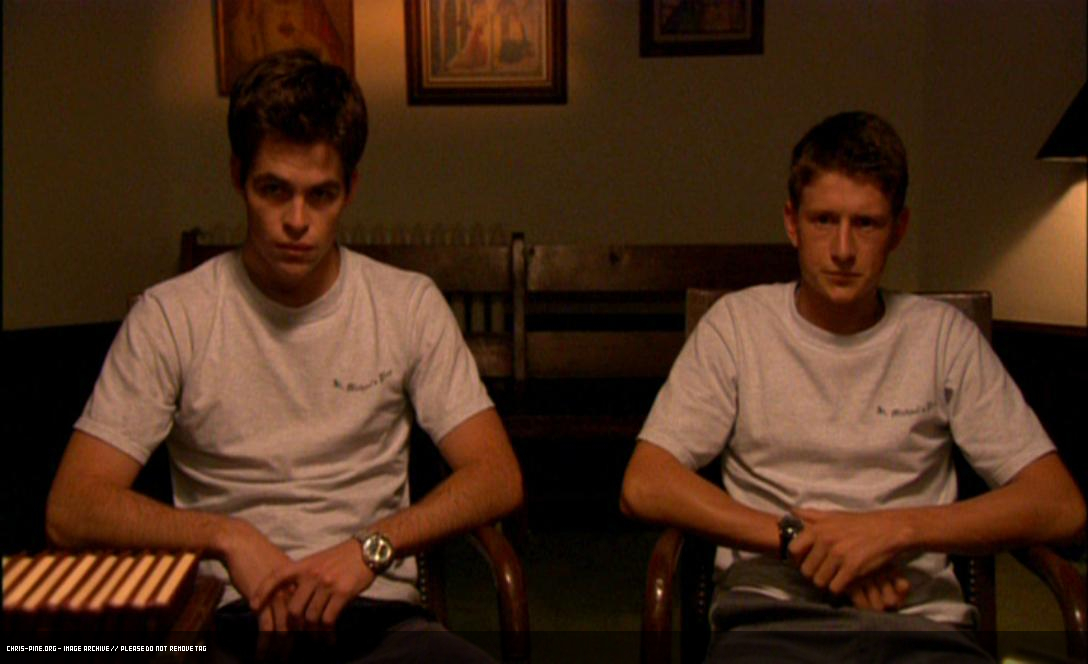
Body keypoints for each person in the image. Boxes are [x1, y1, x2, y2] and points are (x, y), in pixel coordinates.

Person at [46, 49, 522, 662]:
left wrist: (370, 548)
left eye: (321, 195)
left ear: (351, 190)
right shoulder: (171, 315)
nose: (297, 221)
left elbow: (497, 475)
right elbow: (72, 506)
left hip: (378, 616)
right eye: (274, 190)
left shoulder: (406, 304)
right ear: (237, 176)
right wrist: (225, 537)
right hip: (228, 620)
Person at [620, 111, 1085, 662]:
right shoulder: (737, 327)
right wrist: (801, 540)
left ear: (899, 229)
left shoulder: (943, 337)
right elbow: (644, 483)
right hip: (769, 620)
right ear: (792, 223)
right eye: (824, 221)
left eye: (866, 224)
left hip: (918, 622)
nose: (843, 249)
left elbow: (1059, 505)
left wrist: (895, 531)